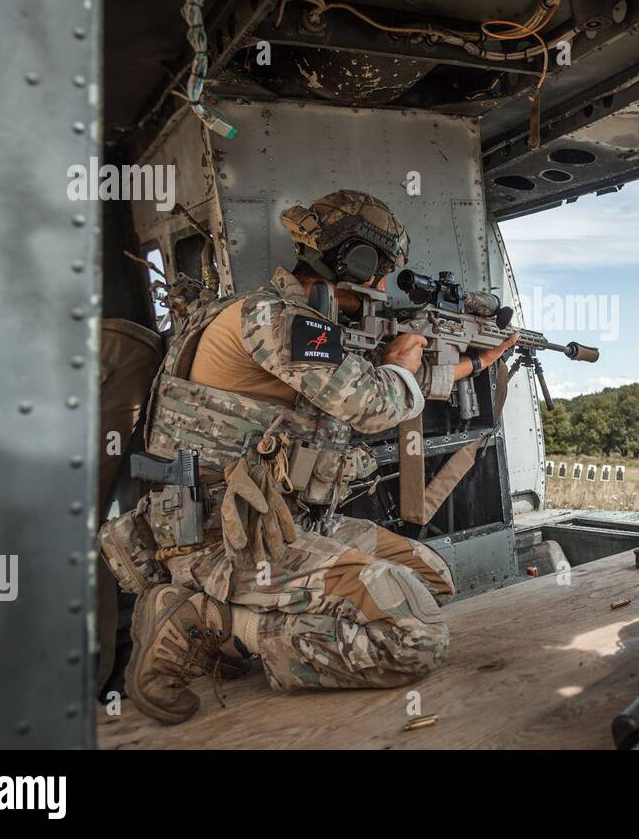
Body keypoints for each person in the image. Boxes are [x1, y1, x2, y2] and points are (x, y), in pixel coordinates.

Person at [117, 189, 516, 724]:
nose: (380, 288)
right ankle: (203, 619)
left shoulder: (302, 322)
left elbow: (369, 379)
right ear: (356, 260)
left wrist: (473, 364)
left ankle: (241, 634)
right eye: (381, 273)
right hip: (223, 539)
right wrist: (400, 360)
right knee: (415, 638)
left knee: (432, 579)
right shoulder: (275, 318)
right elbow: (371, 402)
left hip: (288, 526)